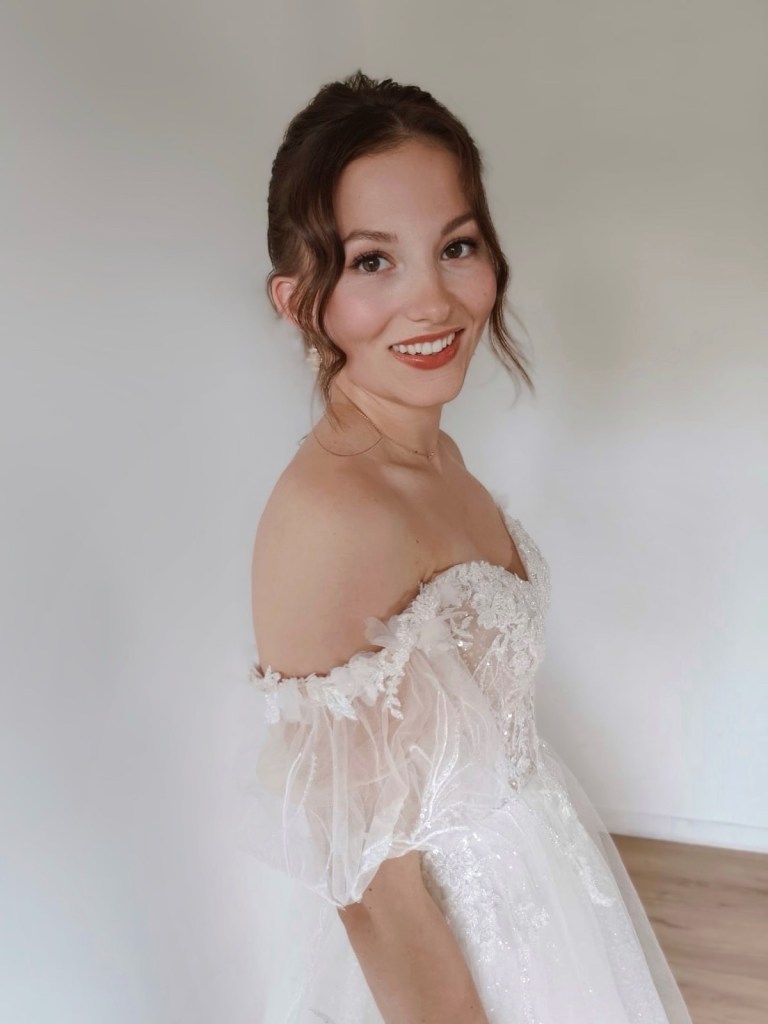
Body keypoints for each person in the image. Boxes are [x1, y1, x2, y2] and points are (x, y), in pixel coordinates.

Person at [238, 71, 693, 1024]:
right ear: (297, 299)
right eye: (372, 261)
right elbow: (372, 892)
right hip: (454, 962)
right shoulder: (330, 517)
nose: (433, 301)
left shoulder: (431, 453)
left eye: (456, 246)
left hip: (542, 888)